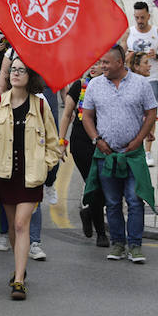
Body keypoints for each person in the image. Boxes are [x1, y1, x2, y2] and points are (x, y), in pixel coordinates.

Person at [0, 58, 60, 300]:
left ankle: (19, 281)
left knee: (21, 225)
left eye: (21, 70)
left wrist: (44, 167)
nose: (15, 74)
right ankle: (19, 267)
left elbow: (54, 145)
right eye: (12, 70)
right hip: (5, 175)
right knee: (14, 227)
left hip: (30, 177)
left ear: (30, 75)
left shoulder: (41, 106)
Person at [81, 45, 157, 264]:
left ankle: (135, 246)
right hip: (106, 154)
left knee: (134, 200)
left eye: (106, 62)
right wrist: (97, 140)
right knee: (112, 202)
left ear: (119, 62)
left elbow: (151, 113)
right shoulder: (94, 85)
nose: (101, 66)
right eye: (101, 62)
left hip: (132, 155)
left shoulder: (141, 84)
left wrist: (139, 139)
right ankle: (117, 243)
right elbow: (87, 116)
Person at [58, 63, 109, 247]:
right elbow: (66, 115)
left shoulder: (110, 86)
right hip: (81, 143)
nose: (94, 67)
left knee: (105, 186)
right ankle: (101, 233)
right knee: (93, 184)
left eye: (99, 63)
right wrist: (61, 142)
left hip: (105, 141)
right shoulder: (79, 86)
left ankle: (88, 213)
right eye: (91, 64)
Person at [119, 1, 158, 166]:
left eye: (142, 17)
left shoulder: (157, 33)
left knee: (150, 115)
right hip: (131, 79)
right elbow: (120, 58)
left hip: (151, 79)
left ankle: (148, 151)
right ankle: (131, 145)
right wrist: (130, 56)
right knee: (131, 112)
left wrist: (155, 55)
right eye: (137, 17)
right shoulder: (129, 33)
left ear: (149, 16)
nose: (139, 20)